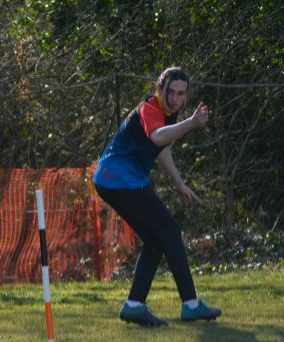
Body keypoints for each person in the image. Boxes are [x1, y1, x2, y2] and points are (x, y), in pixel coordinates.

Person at [94, 66, 221, 326]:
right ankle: (191, 305)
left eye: (181, 93)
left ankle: (134, 306)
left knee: (155, 241)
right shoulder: (151, 108)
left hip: (113, 181)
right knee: (171, 232)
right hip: (120, 180)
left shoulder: (167, 113)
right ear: (159, 88)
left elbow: (161, 148)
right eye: (170, 91)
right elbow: (157, 136)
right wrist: (192, 123)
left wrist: (179, 184)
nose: (175, 98)